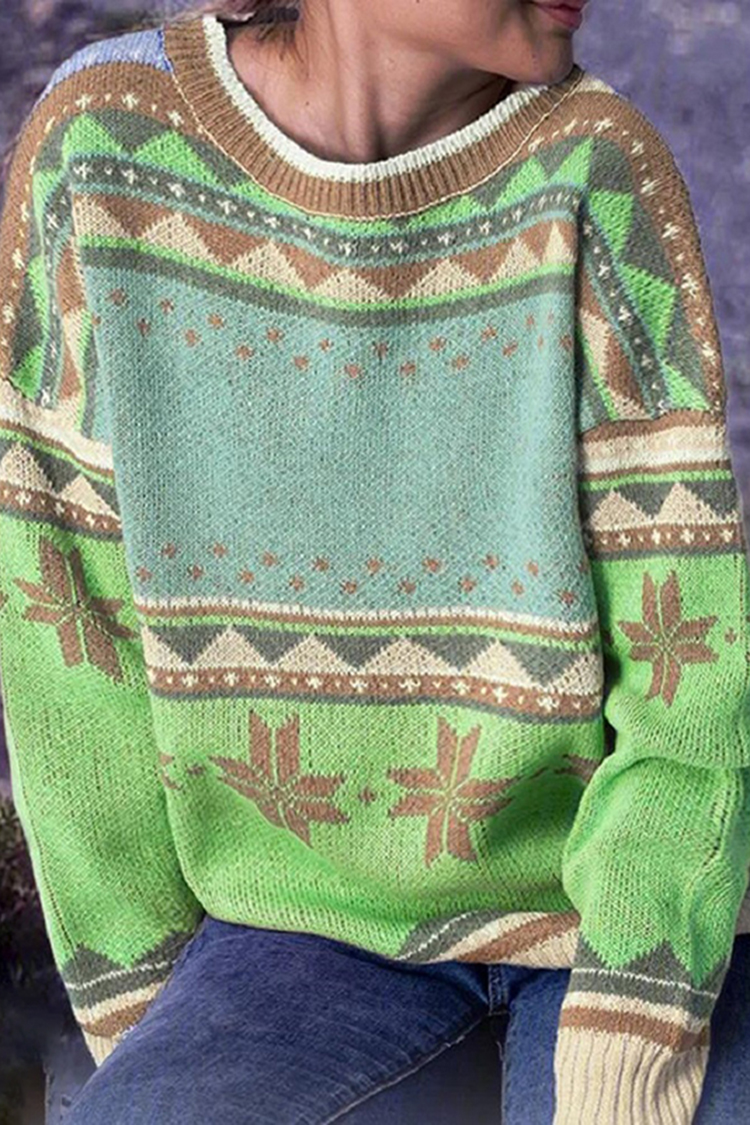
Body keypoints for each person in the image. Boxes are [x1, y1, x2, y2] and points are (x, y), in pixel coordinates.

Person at [1, 1, 750, 1122]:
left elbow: (691, 690)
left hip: (615, 911)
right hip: (290, 938)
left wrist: (626, 1054)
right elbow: (69, 642)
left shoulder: (597, 169)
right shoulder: (103, 150)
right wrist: (152, 1031)